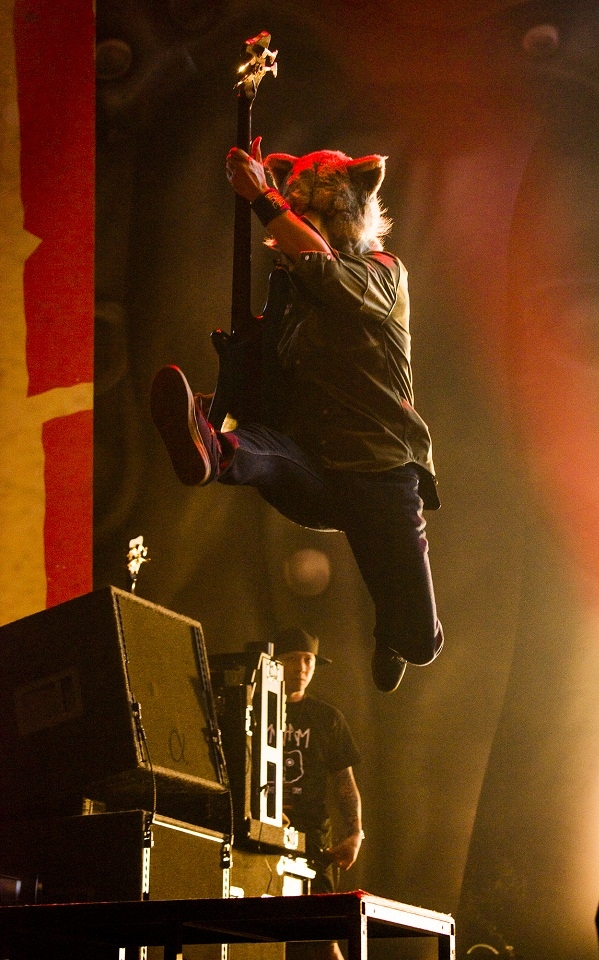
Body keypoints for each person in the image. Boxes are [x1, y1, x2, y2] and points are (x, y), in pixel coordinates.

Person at [151, 137, 444, 692]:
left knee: (421, 642)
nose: (298, 229)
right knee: (266, 448)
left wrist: (263, 198)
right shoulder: (290, 302)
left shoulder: (383, 272)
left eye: (312, 218)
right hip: (315, 469)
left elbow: (325, 269)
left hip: (380, 472)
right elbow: (266, 392)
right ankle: (213, 449)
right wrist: (222, 399)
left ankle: (394, 633)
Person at [275, 626, 362, 960]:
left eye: (308, 660)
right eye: (292, 659)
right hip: (259, 832)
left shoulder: (327, 718)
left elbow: (344, 781)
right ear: (274, 661)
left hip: (312, 839)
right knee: (259, 932)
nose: (301, 668)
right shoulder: (249, 707)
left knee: (323, 937)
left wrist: (355, 832)